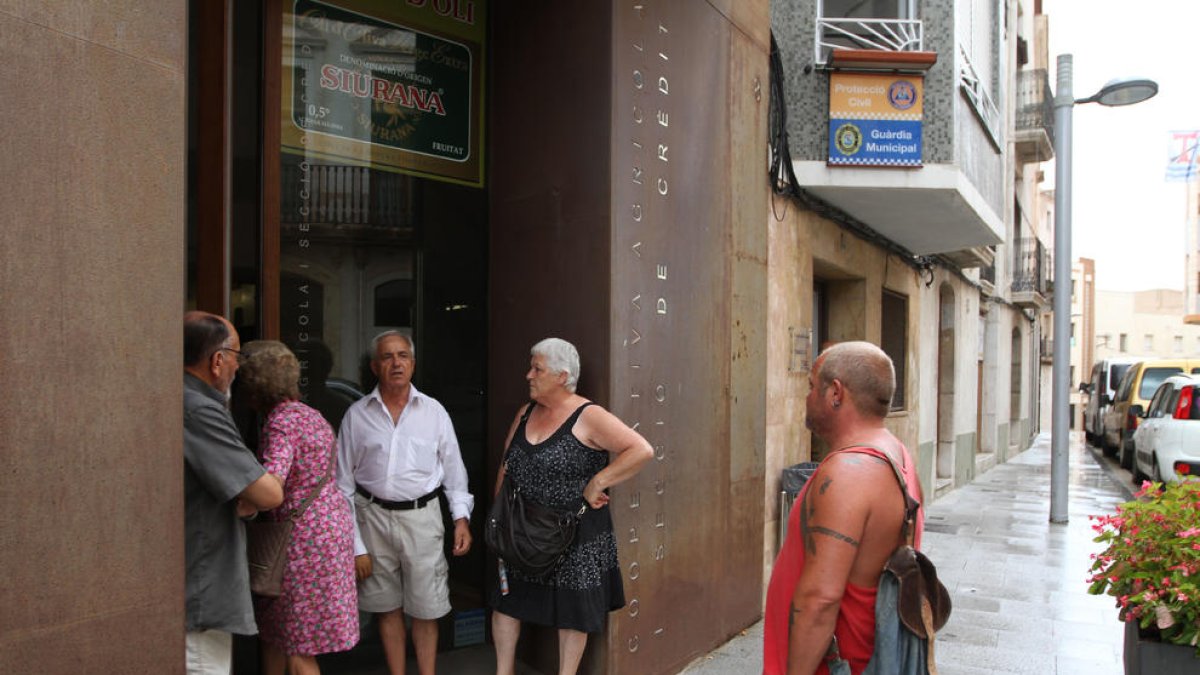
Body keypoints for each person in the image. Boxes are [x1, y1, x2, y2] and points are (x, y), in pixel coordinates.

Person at [490, 337, 654, 675]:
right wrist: (499, 517)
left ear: (561, 376)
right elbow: (507, 466)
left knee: (573, 612)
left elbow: (641, 450)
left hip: (574, 532)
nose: (528, 375)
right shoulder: (526, 413)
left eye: (537, 368)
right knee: (508, 601)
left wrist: (598, 482)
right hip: (522, 528)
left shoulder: (589, 415)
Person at [763, 341, 925, 675]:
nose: (806, 397)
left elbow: (819, 602)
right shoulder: (899, 455)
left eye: (811, 386)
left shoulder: (849, 473)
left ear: (836, 392)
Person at [336, 331, 474, 675]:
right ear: (374, 366)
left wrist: (461, 520)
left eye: (402, 356)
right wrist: (355, 545)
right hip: (372, 518)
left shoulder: (434, 412)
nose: (396, 363)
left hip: (422, 518)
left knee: (426, 609)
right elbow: (342, 485)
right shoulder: (356, 415)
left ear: (412, 363)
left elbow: (454, 471)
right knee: (386, 608)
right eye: (387, 357)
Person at [238, 340, 359, 675]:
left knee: (297, 643)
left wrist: (241, 506)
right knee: (280, 633)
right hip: (330, 532)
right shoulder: (312, 416)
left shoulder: (280, 423)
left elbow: (272, 486)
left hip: (300, 541)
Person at [183, 311, 284, 674]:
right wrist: (250, 493)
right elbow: (269, 493)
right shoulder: (198, 410)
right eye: (237, 357)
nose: (239, 369)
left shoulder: (187, 401)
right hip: (200, 590)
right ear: (217, 361)